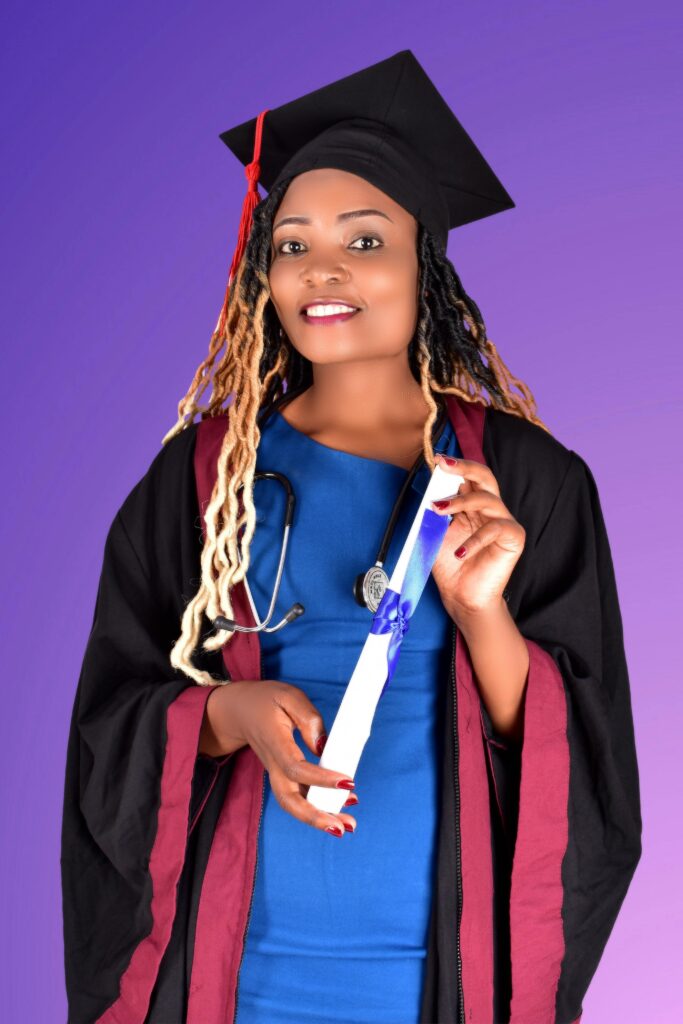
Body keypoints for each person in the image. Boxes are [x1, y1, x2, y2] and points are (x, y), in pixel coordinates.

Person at [60, 50, 642, 1024]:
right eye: (290, 244)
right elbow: (108, 730)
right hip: (232, 987)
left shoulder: (525, 484)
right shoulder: (205, 479)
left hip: (433, 991)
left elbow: (582, 769)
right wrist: (227, 715)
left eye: (364, 241)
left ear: (427, 261)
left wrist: (480, 613)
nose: (321, 269)